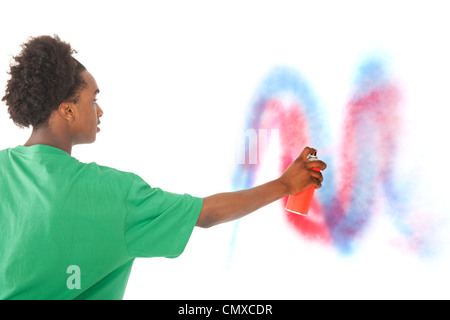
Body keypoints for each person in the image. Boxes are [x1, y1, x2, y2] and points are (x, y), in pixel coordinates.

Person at [0, 35, 327, 300]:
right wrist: (284, 186)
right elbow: (206, 213)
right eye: (93, 99)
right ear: (68, 111)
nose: (100, 111)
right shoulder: (116, 194)